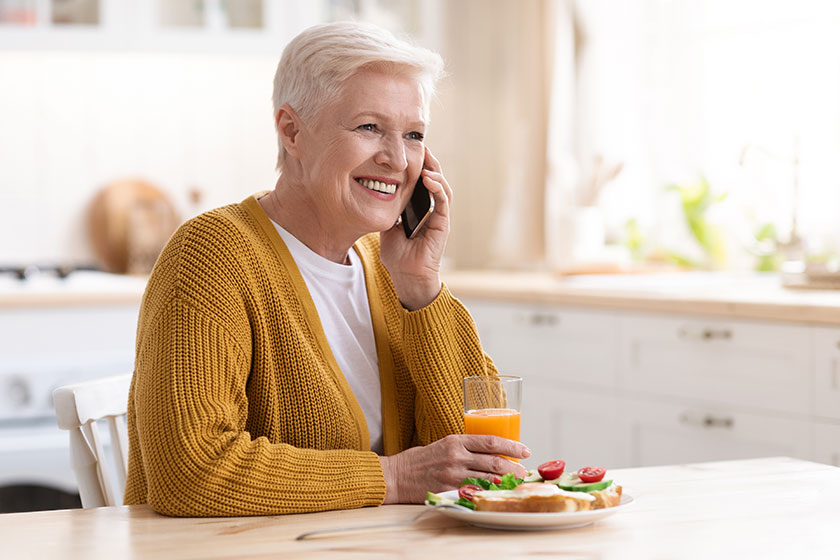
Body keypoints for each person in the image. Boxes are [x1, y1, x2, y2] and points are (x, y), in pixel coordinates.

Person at [123, 21, 530, 517]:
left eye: (414, 135)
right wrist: (394, 476)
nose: (398, 160)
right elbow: (191, 473)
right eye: (368, 127)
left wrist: (422, 289)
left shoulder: (388, 272)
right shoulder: (212, 256)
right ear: (292, 131)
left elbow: (480, 462)